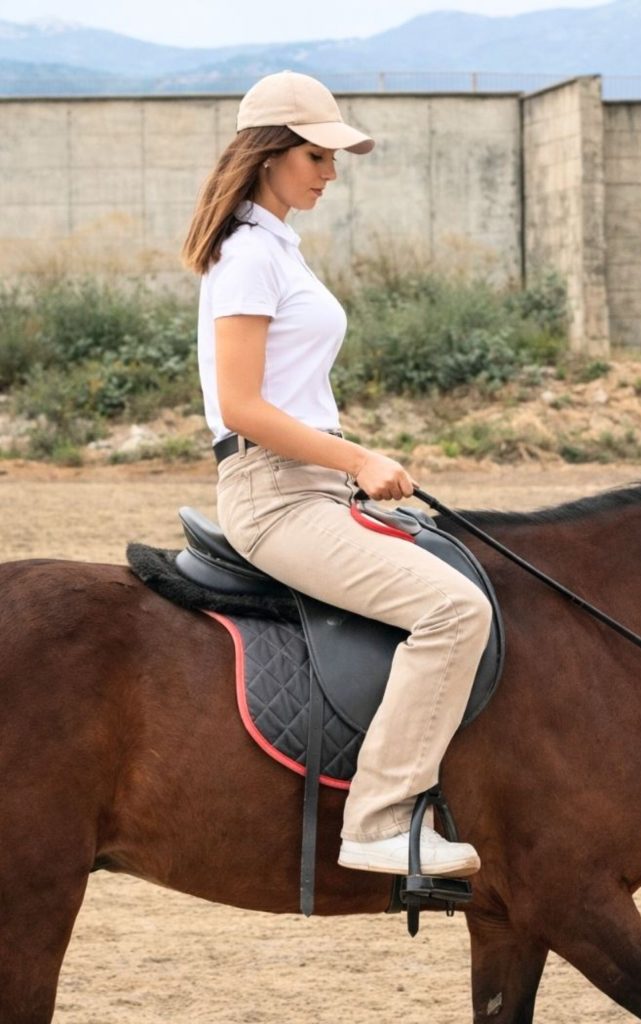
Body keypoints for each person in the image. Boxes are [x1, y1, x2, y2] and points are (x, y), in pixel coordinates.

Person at [182, 70, 492, 877]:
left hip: (315, 487)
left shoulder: (278, 247)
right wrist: (357, 457)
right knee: (453, 613)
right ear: (268, 156)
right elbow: (244, 406)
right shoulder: (249, 256)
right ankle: (381, 819)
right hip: (275, 499)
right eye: (316, 155)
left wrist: (347, 467)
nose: (330, 171)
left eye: (334, 156)